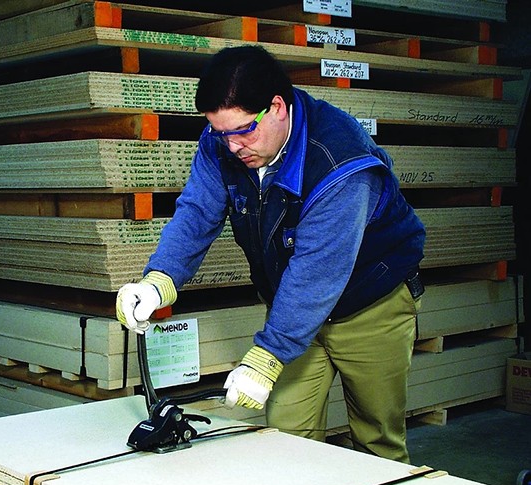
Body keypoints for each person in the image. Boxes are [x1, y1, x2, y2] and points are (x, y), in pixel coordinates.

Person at [116, 45, 425, 463]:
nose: (232, 146)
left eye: (243, 131)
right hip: (291, 309)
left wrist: (269, 356)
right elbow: (197, 212)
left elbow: (317, 271)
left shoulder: (339, 163)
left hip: (369, 306)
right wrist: (159, 280)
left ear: (277, 107)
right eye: (220, 133)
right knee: (286, 442)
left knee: (377, 443)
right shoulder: (224, 141)